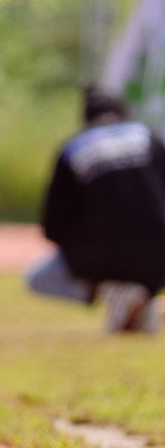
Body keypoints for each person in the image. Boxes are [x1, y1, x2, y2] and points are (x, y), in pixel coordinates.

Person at [26, 88, 164, 333]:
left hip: (100, 259)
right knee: (144, 263)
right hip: (160, 257)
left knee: (37, 278)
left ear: (86, 119)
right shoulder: (148, 137)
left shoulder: (73, 147)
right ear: (123, 113)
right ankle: (137, 298)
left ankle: (114, 291)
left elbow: (52, 226)